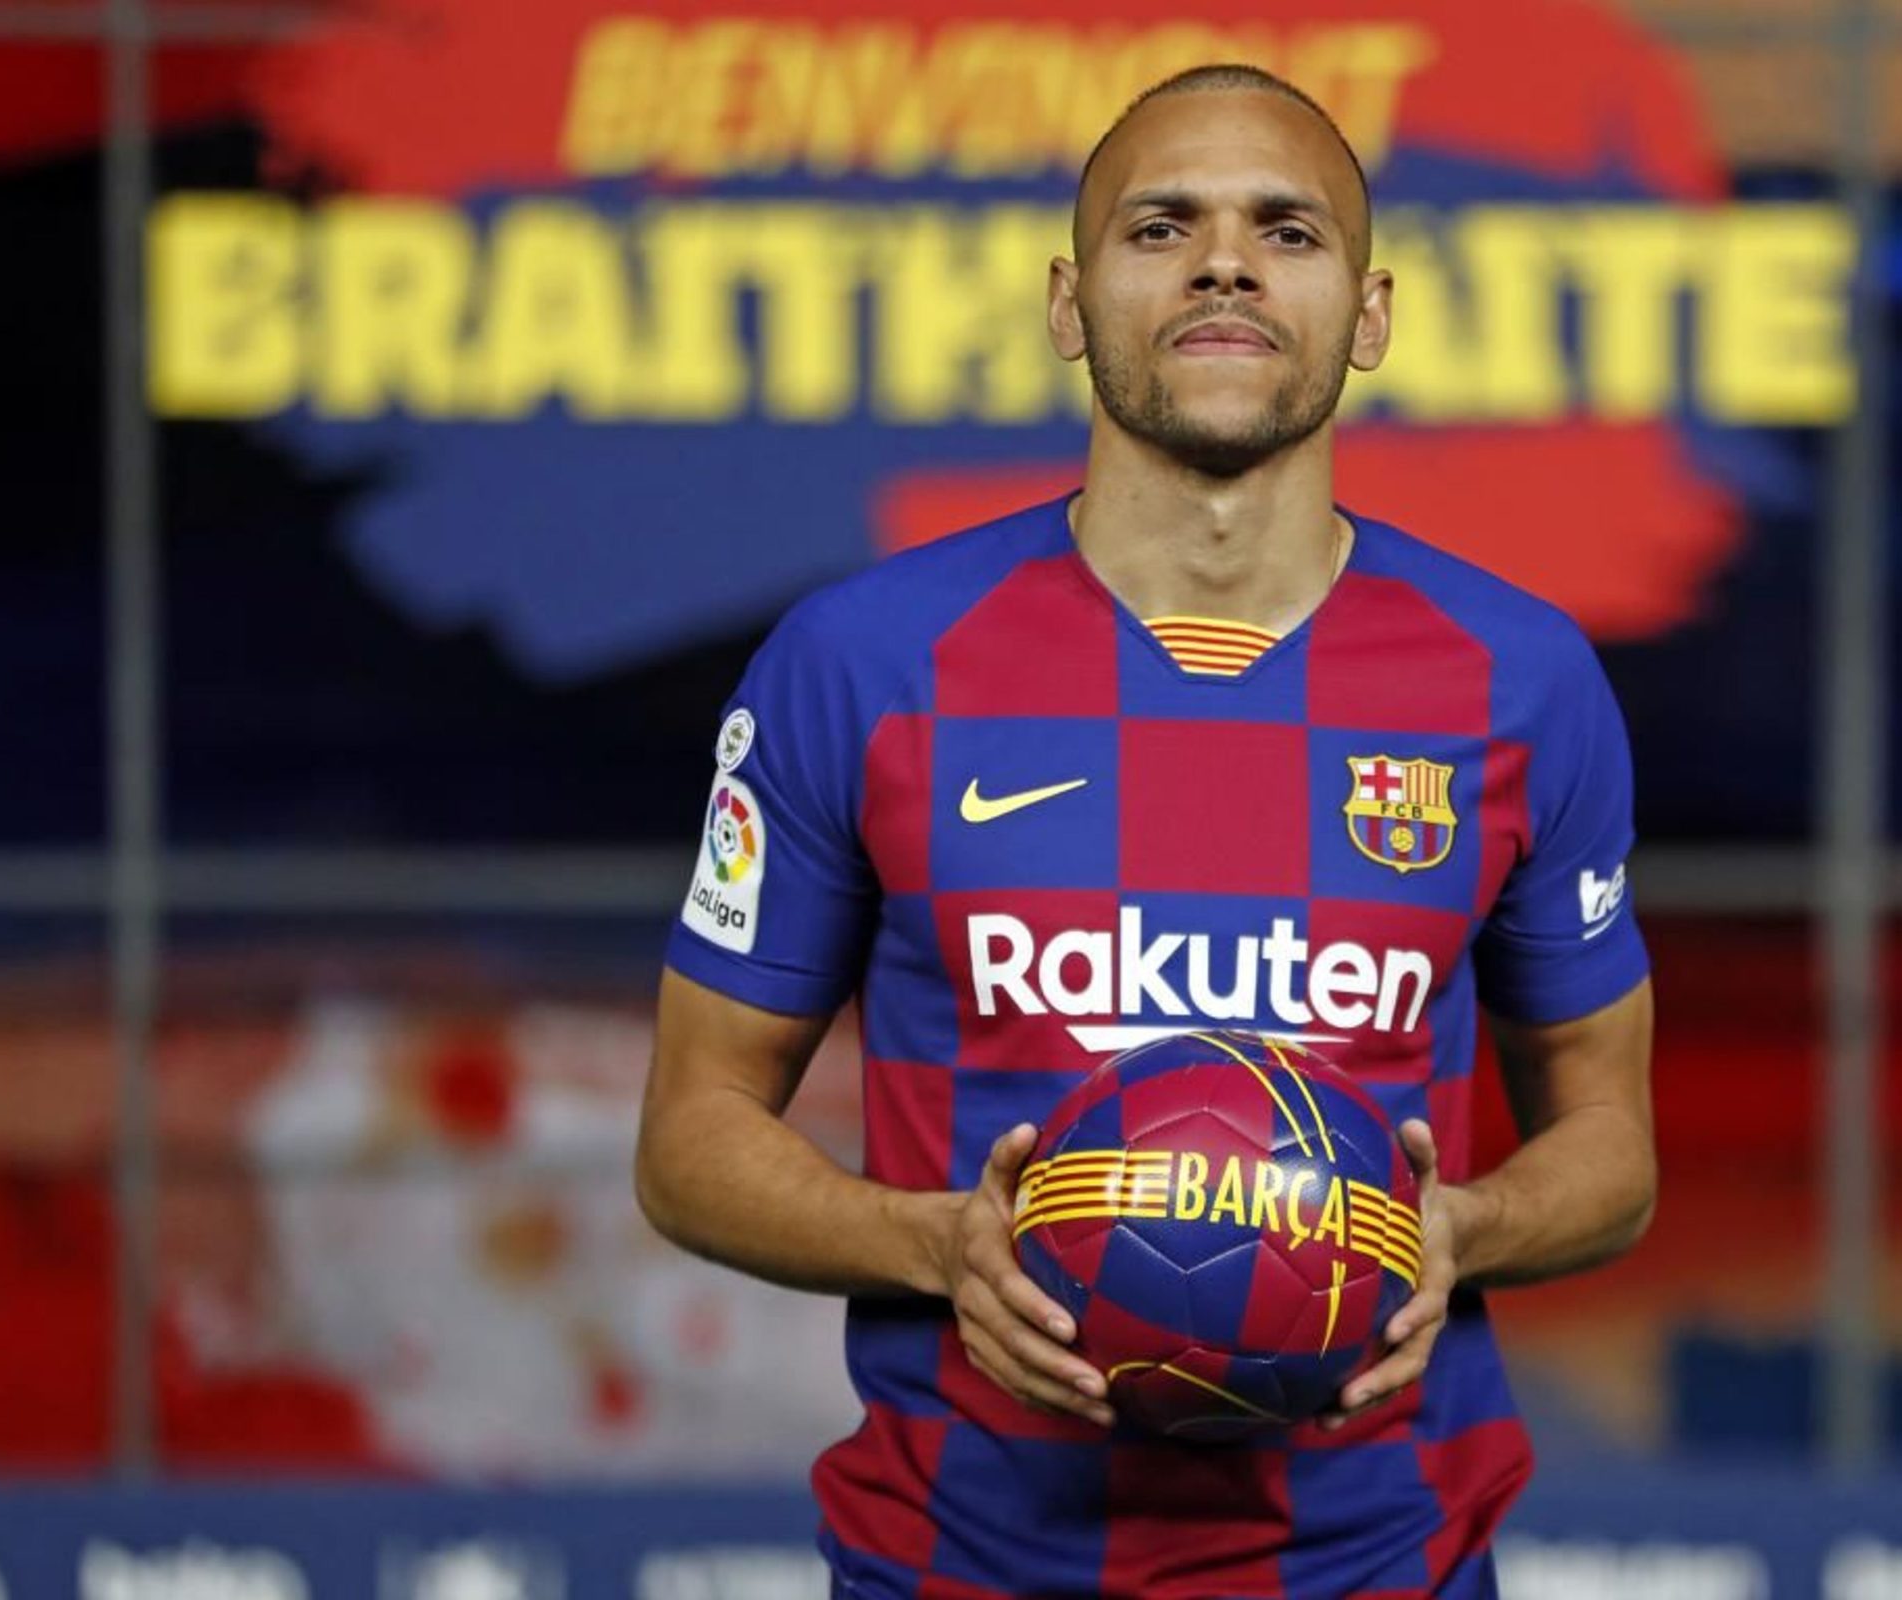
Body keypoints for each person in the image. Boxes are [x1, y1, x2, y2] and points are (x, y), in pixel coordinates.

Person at [637, 63, 1658, 1600]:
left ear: (1370, 315)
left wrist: (1464, 1228)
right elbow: (688, 1138)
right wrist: (936, 1246)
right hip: (962, 1566)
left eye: (1287, 232)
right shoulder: (865, 663)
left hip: (1380, 1568)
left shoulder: (1516, 679)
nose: (1225, 262)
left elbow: (1613, 1146)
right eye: (1163, 225)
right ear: (1069, 300)